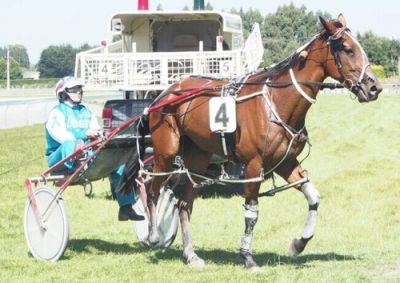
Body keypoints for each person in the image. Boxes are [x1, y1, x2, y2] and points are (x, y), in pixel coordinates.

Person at [45, 76, 144, 221]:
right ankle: (78, 163)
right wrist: (84, 134)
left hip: (87, 155)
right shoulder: (57, 112)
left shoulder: (86, 111)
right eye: (74, 89)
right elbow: (62, 136)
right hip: (60, 159)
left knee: (119, 164)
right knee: (70, 144)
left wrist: (100, 136)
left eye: (80, 89)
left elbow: (96, 129)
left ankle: (126, 207)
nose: (79, 92)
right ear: (63, 93)